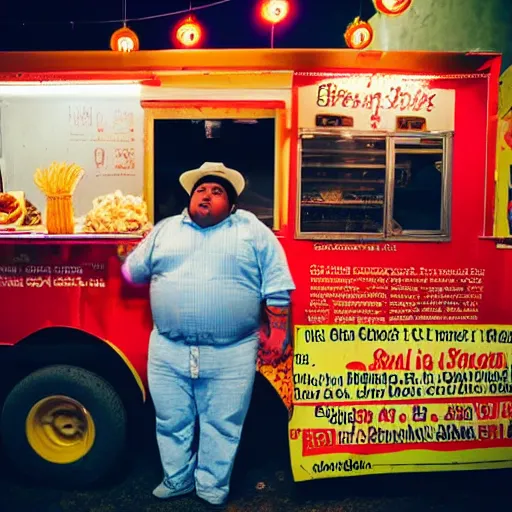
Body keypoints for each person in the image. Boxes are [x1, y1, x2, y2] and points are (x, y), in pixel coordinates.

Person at [121, 162, 295, 510]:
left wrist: (278, 334)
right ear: (190, 197)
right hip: (169, 348)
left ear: (231, 206)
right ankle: (176, 480)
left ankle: (212, 487)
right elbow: (132, 273)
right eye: (202, 189)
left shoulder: (251, 230)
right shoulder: (165, 230)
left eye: (217, 192)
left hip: (232, 351)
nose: (207, 195)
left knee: (223, 423)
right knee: (171, 419)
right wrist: (124, 255)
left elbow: (276, 285)